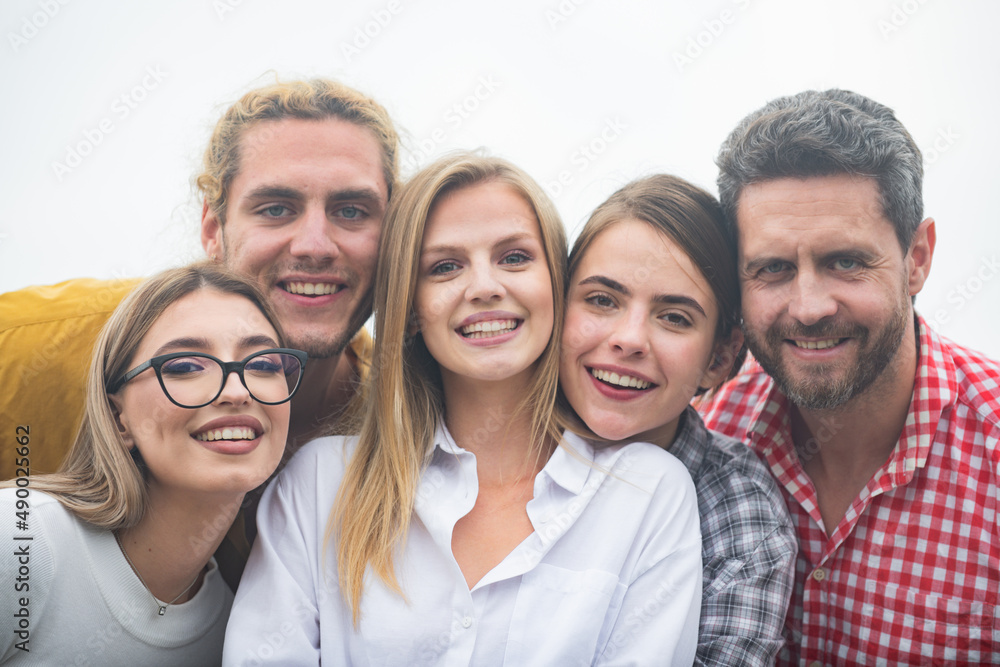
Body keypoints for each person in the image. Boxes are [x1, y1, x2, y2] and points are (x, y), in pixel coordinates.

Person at [224, 153, 703, 665]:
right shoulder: (318, 485)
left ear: (556, 287)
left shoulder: (648, 491)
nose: (484, 287)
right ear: (410, 309)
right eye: (445, 267)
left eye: (514, 258)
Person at [699, 89, 1000, 665]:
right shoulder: (709, 432)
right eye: (773, 269)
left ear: (917, 257)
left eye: (846, 262)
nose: (808, 307)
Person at [0, 76, 398, 482]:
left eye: (351, 211)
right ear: (212, 227)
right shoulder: (26, 348)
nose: (315, 246)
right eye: (276, 209)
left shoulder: (413, 421)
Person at [0, 263, 306, 665]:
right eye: (184, 366)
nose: (236, 391)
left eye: (263, 364)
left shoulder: (241, 628)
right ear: (117, 418)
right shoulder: (20, 539)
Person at [559, 174, 796, 665]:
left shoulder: (739, 515)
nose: (629, 339)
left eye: (674, 317)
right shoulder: (485, 436)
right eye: (602, 300)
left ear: (720, 358)